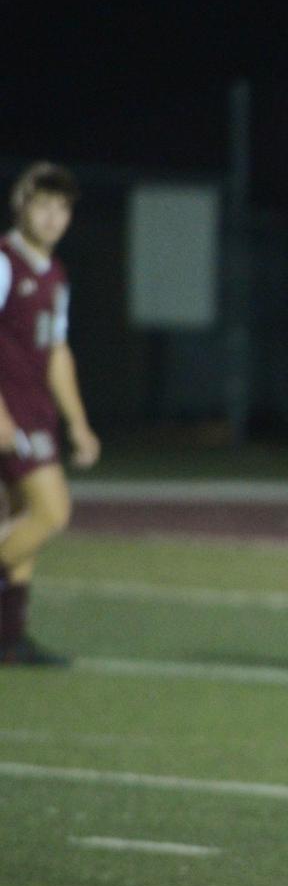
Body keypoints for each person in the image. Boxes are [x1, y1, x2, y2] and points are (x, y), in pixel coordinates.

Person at [0, 162, 99, 666]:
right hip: (8, 410)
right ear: (21, 205)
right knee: (51, 512)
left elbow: (57, 352)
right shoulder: (3, 263)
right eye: (43, 205)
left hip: (34, 412)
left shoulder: (54, 274)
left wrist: (78, 422)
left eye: (62, 209)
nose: (54, 217)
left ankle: (9, 639)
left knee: (23, 525)